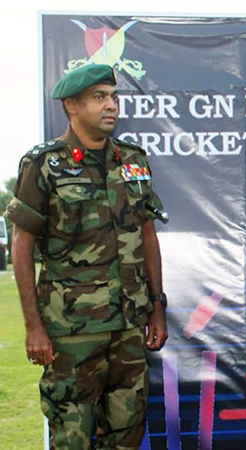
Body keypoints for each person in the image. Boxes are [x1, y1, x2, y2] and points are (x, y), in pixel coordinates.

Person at [5, 64, 168, 450]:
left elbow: (147, 235)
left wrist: (157, 306)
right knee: (72, 437)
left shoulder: (134, 161)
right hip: (71, 332)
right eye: (99, 97)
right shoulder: (43, 165)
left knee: (128, 434)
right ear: (71, 106)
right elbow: (22, 245)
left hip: (129, 327)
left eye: (113, 97)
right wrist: (34, 326)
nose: (110, 105)